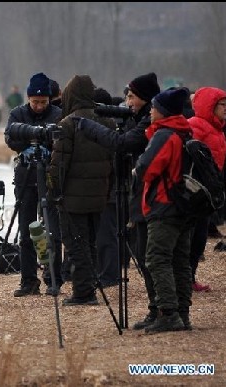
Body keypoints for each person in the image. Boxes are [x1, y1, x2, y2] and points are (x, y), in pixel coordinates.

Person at [77, 72, 161, 328]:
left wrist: (90, 126)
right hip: (142, 194)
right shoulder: (141, 118)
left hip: (150, 197)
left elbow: (122, 143)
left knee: (149, 255)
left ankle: (162, 310)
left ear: (145, 99)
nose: (127, 101)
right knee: (144, 252)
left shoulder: (148, 123)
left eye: (132, 97)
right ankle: (158, 309)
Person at [47, 75, 114, 306]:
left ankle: (84, 293)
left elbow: (58, 165)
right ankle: (89, 286)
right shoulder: (107, 122)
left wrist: (52, 190)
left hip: (73, 198)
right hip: (99, 195)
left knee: (77, 245)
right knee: (91, 243)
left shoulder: (68, 124)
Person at [133, 87, 194, 333]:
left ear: (164, 112)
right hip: (183, 206)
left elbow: (147, 169)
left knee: (158, 259)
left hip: (164, 205)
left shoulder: (165, 135)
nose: (151, 111)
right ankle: (182, 313)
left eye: (154, 108)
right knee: (180, 261)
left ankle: (168, 312)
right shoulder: (185, 132)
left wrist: (138, 168)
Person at [4, 72, 62, 297]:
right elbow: (10, 138)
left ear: (49, 100)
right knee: (26, 229)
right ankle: (29, 280)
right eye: (35, 102)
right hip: (26, 176)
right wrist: (29, 143)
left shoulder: (58, 114)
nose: (39, 107)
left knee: (53, 229)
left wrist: (45, 146)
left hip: (49, 176)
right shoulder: (17, 113)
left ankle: (54, 278)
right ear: (28, 98)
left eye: (43, 102)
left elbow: (61, 139)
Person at [187, 86, 226, 292]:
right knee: (192, 237)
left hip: (208, 192)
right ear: (210, 106)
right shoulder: (195, 125)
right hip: (195, 191)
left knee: (201, 236)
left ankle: (190, 276)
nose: (225, 109)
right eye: (222, 104)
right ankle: (185, 277)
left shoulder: (217, 128)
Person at [92, 87, 120, 288]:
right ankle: (106, 272)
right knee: (106, 234)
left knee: (105, 235)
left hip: (108, 190)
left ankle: (109, 275)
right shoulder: (115, 126)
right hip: (108, 189)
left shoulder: (106, 129)